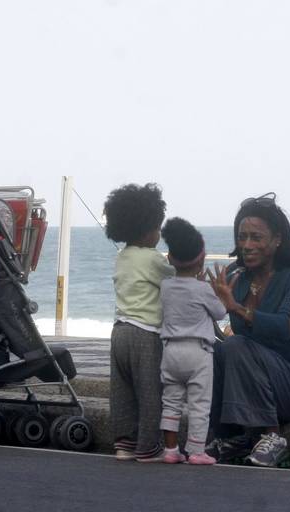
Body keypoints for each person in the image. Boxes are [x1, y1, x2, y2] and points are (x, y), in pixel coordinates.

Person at [206, 193, 290, 468]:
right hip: (255, 381)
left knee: (236, 345)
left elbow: (286, 328)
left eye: (256, 238)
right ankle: (230, 437)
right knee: (213, 350)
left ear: (277, 239)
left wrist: (237, 308)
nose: (246, 245)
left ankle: (273, 438)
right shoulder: (237, 275)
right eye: (242, 237)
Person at [104, 183, 175, 462]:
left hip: (119, 331)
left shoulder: (121, 257)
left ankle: (125, 443)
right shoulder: (153, 258)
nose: (159, 233)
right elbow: (175, 283)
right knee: (149, 391)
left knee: (122, 390)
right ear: (147, 229)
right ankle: (148, 446)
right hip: (146, 334)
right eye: (158, 228)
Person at [158, 217, 226, 465]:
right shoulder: (203, 289)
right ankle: (196, 451)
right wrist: (218, 293)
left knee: (171, 402)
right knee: (199, 404)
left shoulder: (165, 286)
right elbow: (220, 313)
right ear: (202, 258)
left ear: (170, 259)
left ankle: (170, 450)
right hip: (198, 353)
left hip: (171, 351)